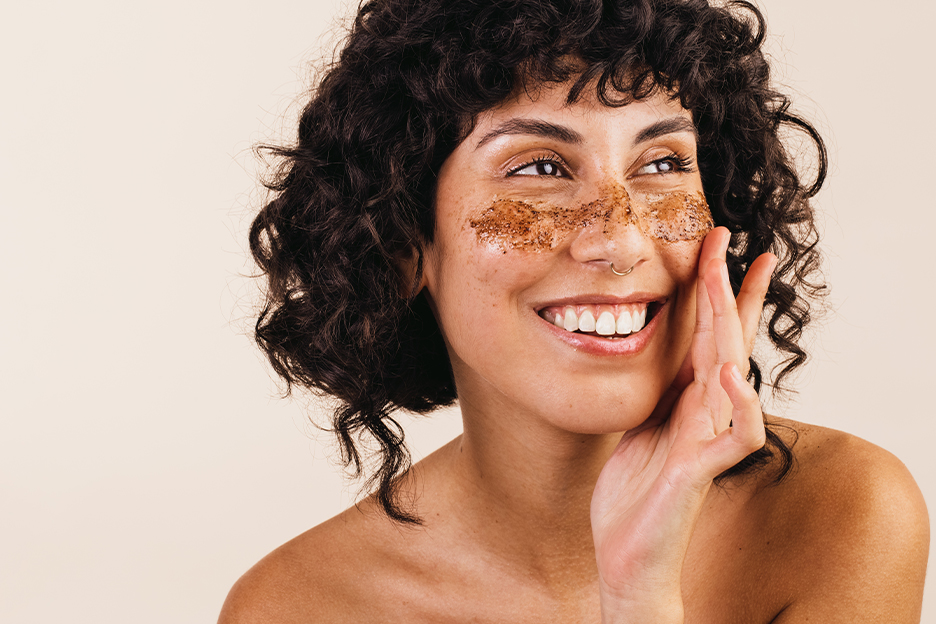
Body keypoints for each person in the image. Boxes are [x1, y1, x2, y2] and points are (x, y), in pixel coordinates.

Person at [219, 0, 929, 621]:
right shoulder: (297, 608)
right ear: (406, 245)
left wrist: (641, 594)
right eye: (538, 168)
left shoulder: (839, 514)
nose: (620, 240)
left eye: (662, 164)